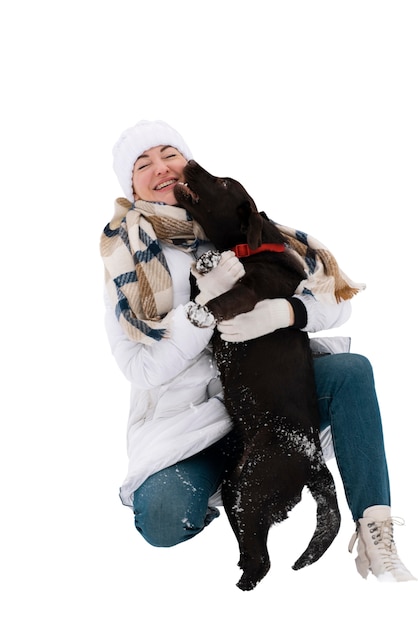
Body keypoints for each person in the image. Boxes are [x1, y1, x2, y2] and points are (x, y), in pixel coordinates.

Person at [100, 119, 415, 583]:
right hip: (192, 423)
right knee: (163, 519)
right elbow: (143, 369)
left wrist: (287, 313)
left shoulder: (238, 222)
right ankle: (227, 484)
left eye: (169, 154)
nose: (160, 168)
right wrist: (204, 308)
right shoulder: (128, 259)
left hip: (273, 399)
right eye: (142, 164)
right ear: (133, 186)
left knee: (351, 371)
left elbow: (332, 298)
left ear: (188, 163)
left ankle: (375, 529)